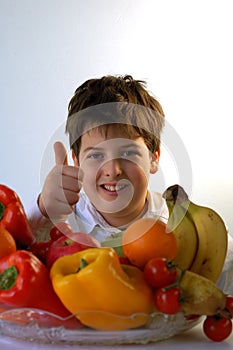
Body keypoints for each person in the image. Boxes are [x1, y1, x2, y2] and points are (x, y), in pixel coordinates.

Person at [27, 74, 233, 294]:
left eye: (127, 153)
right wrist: (41, 208)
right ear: (77, 162)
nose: (113, 171)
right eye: (96, 156)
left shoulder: (190, 231)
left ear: (154, 158)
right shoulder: (58, 225)